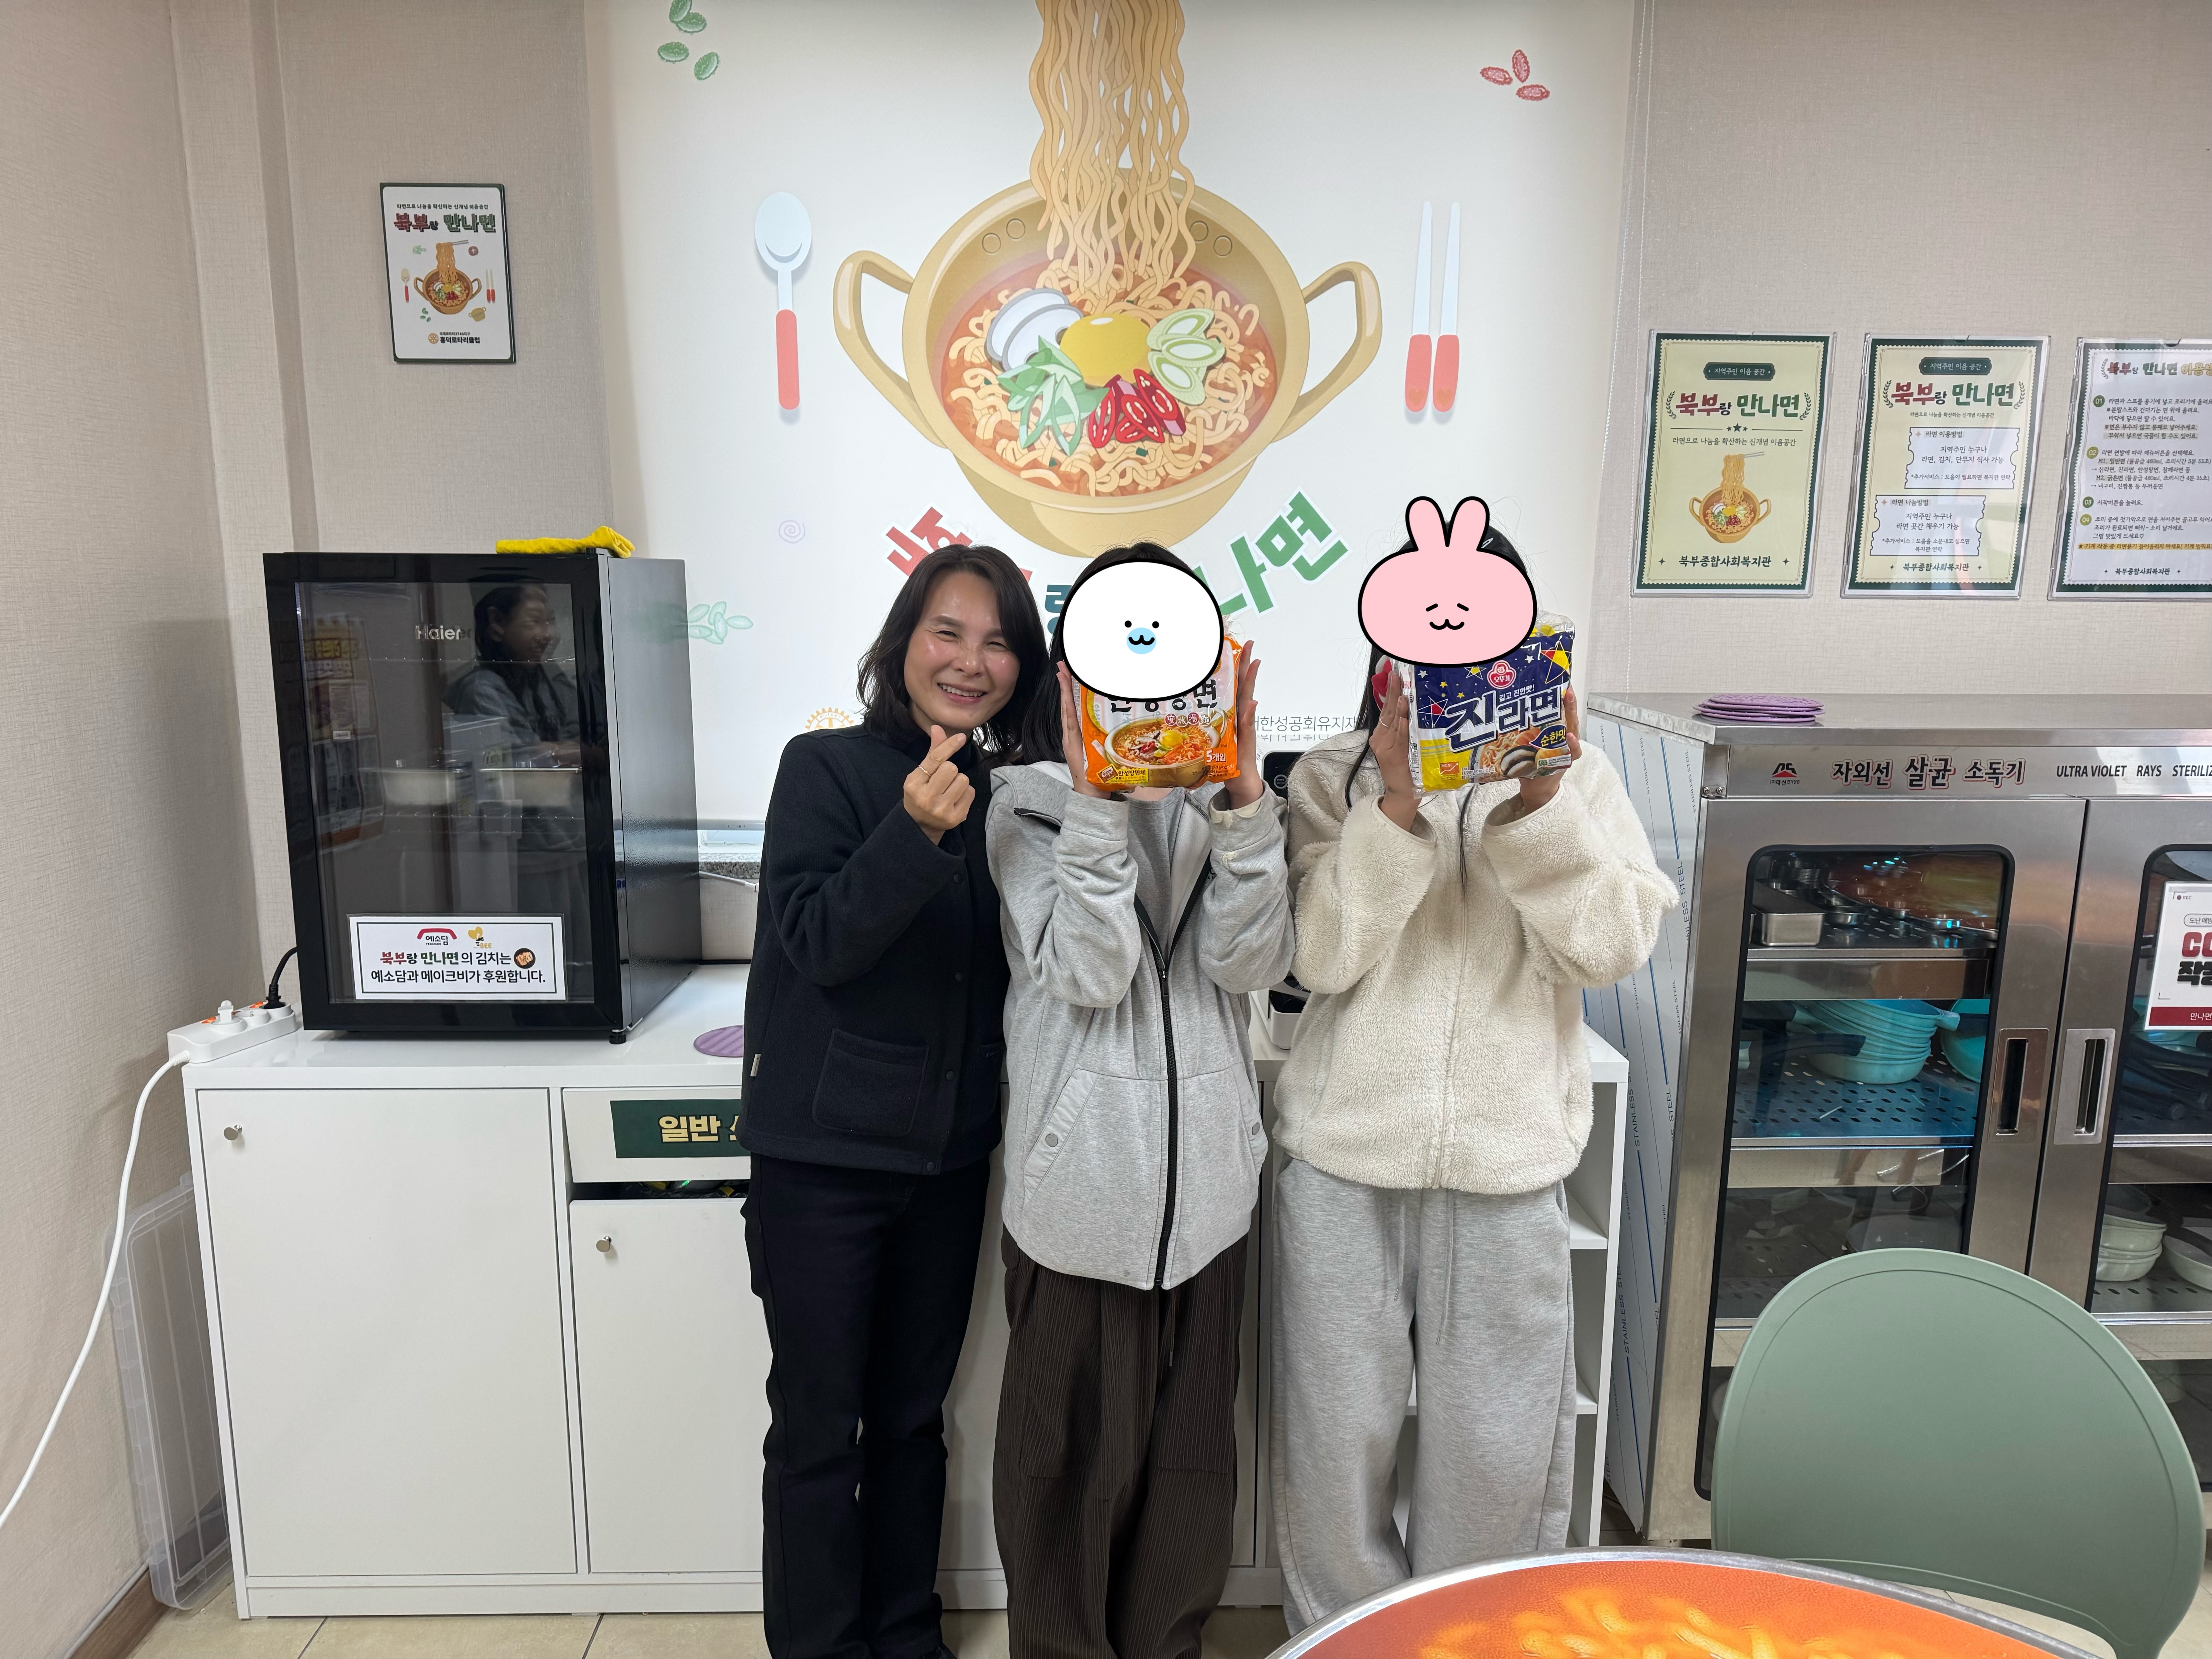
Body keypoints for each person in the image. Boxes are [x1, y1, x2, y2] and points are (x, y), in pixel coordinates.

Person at [1269, 528, 1677, 1630]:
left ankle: (1473, 1640)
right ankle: (1342, 1644)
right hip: (1345, 1164)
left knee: (1497, 1450)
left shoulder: (1582, 779)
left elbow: (1611, 948)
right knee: (1333, 1445)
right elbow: (1320, 957)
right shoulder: (1330, 775)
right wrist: (1396, 807)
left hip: (1507, 1169)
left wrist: (1539, 807)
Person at [984, 543, 1295, 1659]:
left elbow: (1254, 963)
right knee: (1064, 1476)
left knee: (1190, 1478)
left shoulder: (1229, 805)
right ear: (1077, 669)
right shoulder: (1024, 806)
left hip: (1208, 1206)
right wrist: (1098, 799)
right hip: (1082, 1207)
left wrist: (1246, 798)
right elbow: (1090, 969)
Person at [741, 544, 1050, 1659]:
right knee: (820, 1428)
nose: (970, 662)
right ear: (903, 642)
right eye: (948, 632)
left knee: (915, 1422)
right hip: (821, 1163)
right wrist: (912, 831)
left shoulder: (1016, 794)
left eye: (999, 643)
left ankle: (909, 1636)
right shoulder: (823, 767)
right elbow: (819, 942)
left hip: (948, 1161)